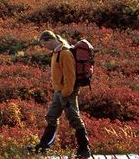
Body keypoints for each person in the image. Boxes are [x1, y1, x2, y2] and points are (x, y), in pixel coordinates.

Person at [27, 30, 91, 158]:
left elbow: (70, 76)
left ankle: (84, 149)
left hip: (66, 92)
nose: (44, 47)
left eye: (44, 44)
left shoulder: (65, 53)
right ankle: (43, 147)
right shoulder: (56, 52)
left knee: (74, 119)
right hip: (59, 92)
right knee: (51, 116)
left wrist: (66, 92)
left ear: (49, 40)